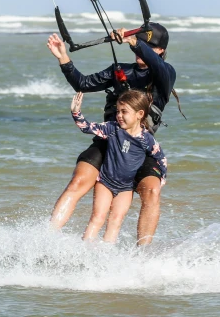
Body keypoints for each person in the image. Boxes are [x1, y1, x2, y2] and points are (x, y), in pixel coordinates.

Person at [46, 22, 178, 245]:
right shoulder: (121, 70)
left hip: (139, 146)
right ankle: (46, 239)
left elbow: (156, 64)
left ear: (160, 50)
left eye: (148, 45)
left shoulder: (164, 74)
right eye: (140, 43)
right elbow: (83, 83)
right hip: (109, 139)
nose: (141, 50)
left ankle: (142, 256)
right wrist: (63, 58)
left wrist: (135, 42)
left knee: (152, 192)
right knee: (79, 180)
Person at [71, 89, 167, 243]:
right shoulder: (112, 128)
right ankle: (85, 250)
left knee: (115, 220)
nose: (119, 116)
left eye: (124, 112)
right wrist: (76, 112)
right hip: (105, 182)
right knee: (98, 217)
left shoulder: (147, 139)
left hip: (126, 188)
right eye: (118, 111)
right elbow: (87, 127)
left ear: (139, 114)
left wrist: (162, 179)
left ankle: (106, 256)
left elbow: (160, 158)